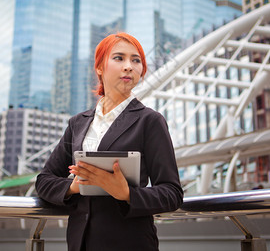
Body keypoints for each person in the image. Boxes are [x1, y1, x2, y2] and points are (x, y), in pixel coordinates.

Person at [35, 32, 183, 251]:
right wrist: (74, 187)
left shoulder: (150, 121)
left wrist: (126, 193)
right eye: (119, 58)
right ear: (100, 68)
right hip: (80, 244)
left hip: (131, 243)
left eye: (136, 60)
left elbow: (172, 193)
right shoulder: (78, 123)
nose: (128, 66)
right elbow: (44, 181)